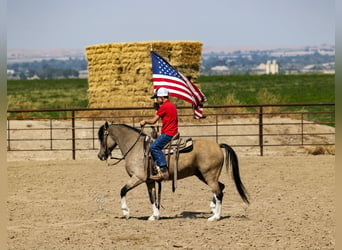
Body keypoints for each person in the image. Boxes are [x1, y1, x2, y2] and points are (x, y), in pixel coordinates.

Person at [140, 87, 178, 181]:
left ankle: (163, 169)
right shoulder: (172, 105)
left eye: (157, 98)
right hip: (172, 131)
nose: (156, 100)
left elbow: (153, 121)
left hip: (168, 133)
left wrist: (145, 121)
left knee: (154, 147)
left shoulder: (164, 106)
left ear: (161, 97)